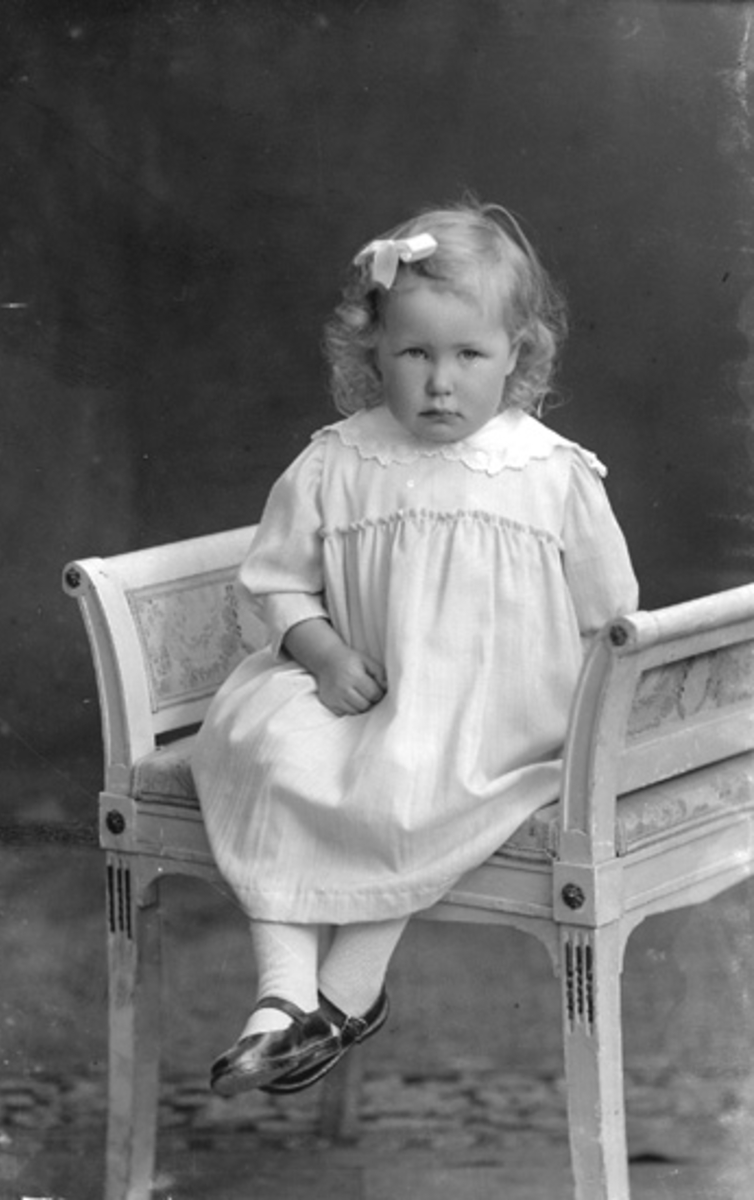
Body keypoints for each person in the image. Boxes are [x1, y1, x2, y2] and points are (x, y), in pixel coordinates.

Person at [192, 199, 638, 1098]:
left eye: (468, 355)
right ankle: (284, 999)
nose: (440, 383)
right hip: (368, 691)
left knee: (405, 783)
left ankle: (343, 995)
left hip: (496, 719)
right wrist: (322, 654)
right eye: (413, 355)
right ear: (373, 354)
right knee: (265, 743)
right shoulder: (338, 461)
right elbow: (274, 581)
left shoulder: (548, 473)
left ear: (516, 354)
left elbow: (611, 617)